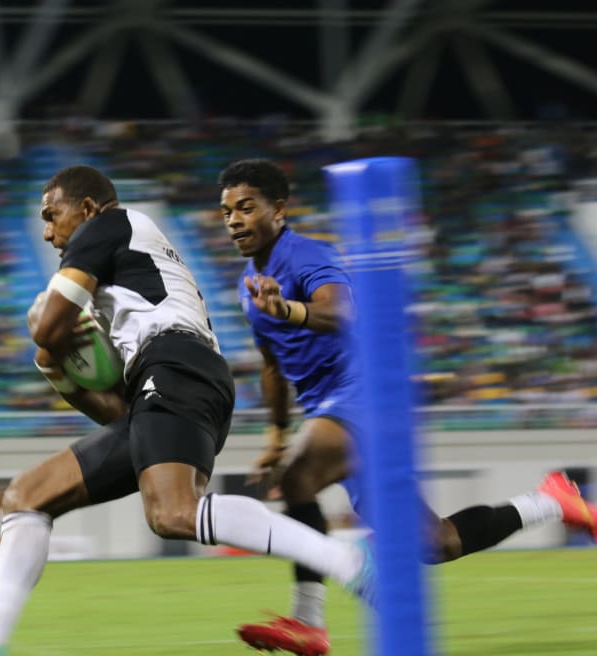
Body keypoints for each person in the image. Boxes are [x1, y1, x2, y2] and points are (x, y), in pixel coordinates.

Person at [0, 165, 375, 656]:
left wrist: (47, 330)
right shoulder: (125, 282)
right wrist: (55, 367)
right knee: (28, 495)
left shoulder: (109, 225)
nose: (45, 231)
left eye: (50, 215)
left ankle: (346, 560)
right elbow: (115, 413)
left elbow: (46, 327)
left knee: (174, 513)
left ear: (85, 210)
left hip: (178, 367)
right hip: (167, 379)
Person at [218, 158, 597, 656]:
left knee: (296, 479)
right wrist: (275, 434)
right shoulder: (250, 287)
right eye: (226, 212)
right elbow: (271, 363)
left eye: (246, 208)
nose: (234, 220)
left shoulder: (306, 255)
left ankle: (308, 620)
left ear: (280, 210)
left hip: (363, 391)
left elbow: (346, 313)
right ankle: (551, 500)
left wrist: (289, 308)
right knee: (434, 544)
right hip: (331, 410)